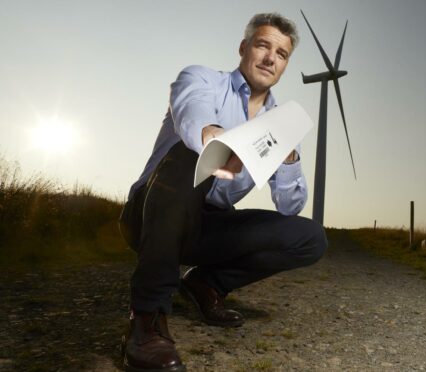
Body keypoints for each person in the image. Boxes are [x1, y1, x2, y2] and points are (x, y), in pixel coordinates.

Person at [118, 13, 327, 372]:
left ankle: (205, 283)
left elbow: (291, 205)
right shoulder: (202, 79)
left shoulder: (280, 122)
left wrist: (289, 156)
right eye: (263, 45)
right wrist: (213, 136)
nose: (270, 58)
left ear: (285, 65)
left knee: (310, 238)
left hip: (208, 226)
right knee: (186, 153)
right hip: (152, 212)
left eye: (281, 53)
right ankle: (147, 320)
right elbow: (192, 114)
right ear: (244, 48)